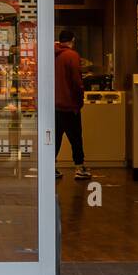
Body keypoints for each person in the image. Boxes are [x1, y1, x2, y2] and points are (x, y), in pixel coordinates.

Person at [54, 29, 90, 180]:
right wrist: (79, 101)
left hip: (54, 104)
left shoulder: (52, 55)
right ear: (72, 40)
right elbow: (76, 81)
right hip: (69, 104)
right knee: (76, 137)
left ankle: (50, 166)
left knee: (55, 137)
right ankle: (79, 167)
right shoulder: (72, 56)